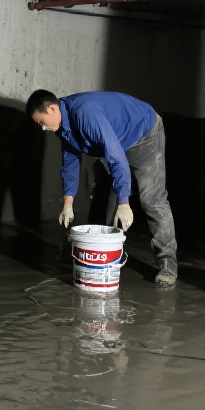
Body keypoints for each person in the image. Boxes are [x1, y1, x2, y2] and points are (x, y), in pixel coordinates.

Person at [26, 89, 178, 285]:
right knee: (106, 194)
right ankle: (107, 252)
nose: (42, 128)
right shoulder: (63, 124)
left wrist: (124, 203)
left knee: (152, 199)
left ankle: (167, 263)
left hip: (144, 132)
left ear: (52, 109)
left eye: (41, 122)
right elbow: (70, 162)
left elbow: (116, 158)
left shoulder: (85, 114)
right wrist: (68, 203)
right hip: (118, 139)